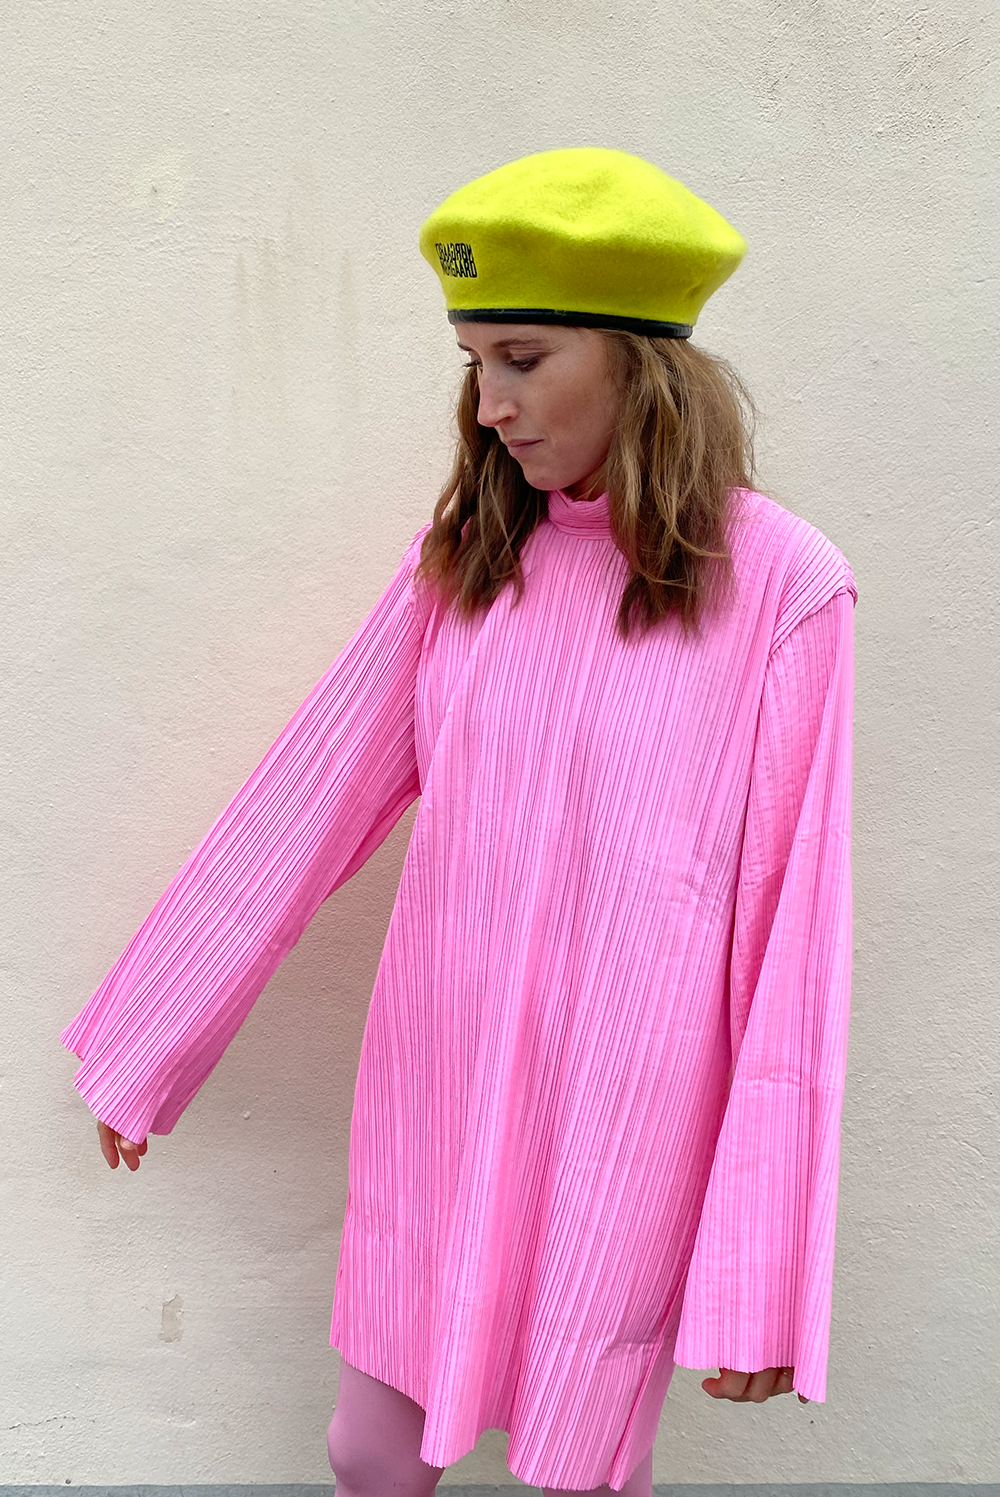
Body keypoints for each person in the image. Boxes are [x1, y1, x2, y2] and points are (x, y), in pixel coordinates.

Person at [62, 148, 857, 1497]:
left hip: (620, 1124)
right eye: (474, 363)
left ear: (640, 364)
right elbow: (306, 801)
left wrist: (760, 1271)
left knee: (579, 1469)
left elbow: (795, 942)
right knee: (371, 1447)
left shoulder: (783, 588)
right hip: (437, 1090)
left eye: (522, 359)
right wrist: (152, 1035)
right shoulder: (467, 565)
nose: (488, 405)